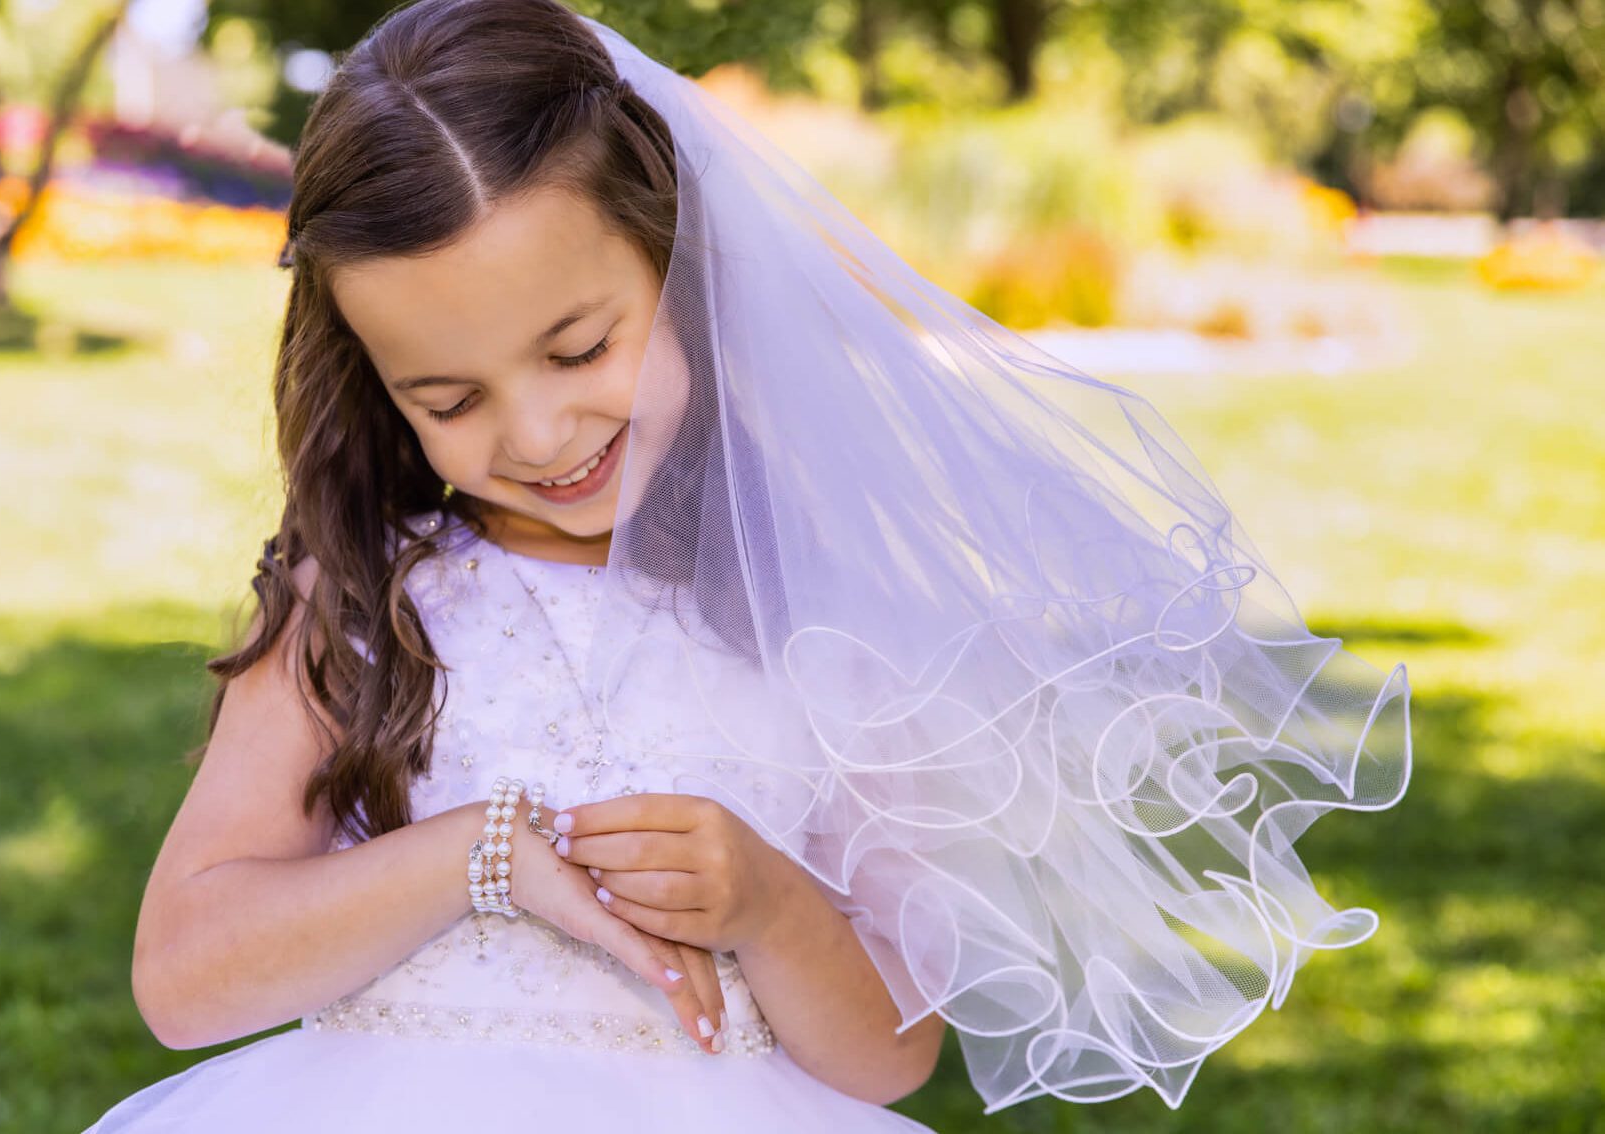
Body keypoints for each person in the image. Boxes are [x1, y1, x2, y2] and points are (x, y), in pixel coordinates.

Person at [85, 0, 1410, 1129]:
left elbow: (889, 1056)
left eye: (578, 348)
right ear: (377, 387)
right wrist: (471, 856)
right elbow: (181, 975)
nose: (539, 435)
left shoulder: (816, 607)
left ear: (680, 263)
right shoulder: (366, 603)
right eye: (449, 396)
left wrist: (773, 904)